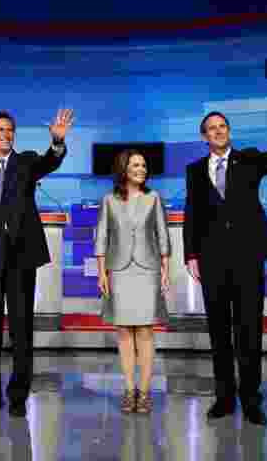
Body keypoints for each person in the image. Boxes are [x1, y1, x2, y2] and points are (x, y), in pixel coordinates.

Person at [183, 89, 267, 426]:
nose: (219, 131)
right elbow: (193, 213)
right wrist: (191, 253)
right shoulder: (194, 170)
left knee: (249, 329)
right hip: (212, 258)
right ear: (204, 137)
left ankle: (251, 399)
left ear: (228, 132)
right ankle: (224, 398)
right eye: (212, 128)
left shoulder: (248, 159)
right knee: (219, 331)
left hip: (248, 256)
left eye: (223, 126)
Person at [0, 109, 73, 417]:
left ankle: (19, 394)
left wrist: (57, 142)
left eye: (10, 130)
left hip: (21, 257)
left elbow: (51, 160)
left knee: (21, 329)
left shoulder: (26, 162)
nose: (6, 134)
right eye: (0, 130)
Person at [94, 149, 171, 414]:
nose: (142, 169)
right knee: (125, 332)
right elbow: (102, 237)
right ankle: (129, 390)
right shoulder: (109, 200)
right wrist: (101, 272)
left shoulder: (154, 198)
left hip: (148, 270)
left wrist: (165, 269)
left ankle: (145, 392)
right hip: (119, 269)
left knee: (146, 333)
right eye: (136, 165)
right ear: (123, 169)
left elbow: (162, 234)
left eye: (144, 165)